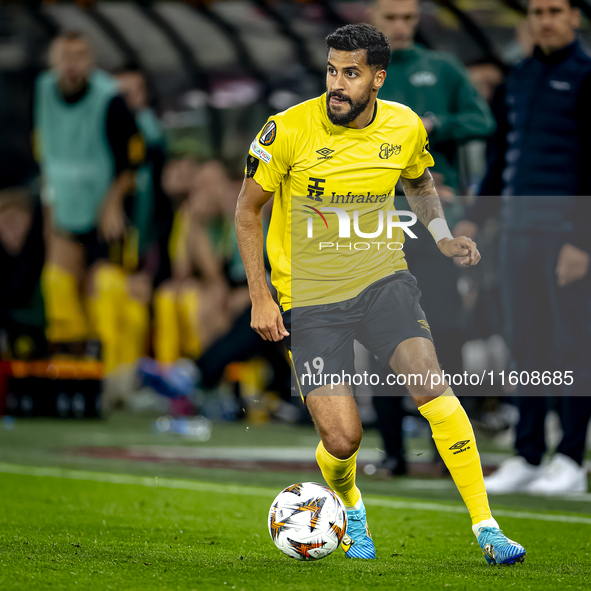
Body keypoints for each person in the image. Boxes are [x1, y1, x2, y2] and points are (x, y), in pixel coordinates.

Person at [234, 23, 525, 564]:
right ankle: (352, 507)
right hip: (311, 299)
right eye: (331, 70)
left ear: (377, 78)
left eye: (350, 73)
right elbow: (247, 210)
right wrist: (261, 295)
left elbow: (418, 180)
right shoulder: (288, 130)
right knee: (343, 440)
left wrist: (441, 238)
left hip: (382, 279)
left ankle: (487, 527)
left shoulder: (404, 125)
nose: (336, 85)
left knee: (433, 389)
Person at [462, 0, 591, 495]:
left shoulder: (587, 75)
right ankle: (529, 453)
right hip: (516, 232)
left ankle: (573, 459)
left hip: (565, 234)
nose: (546, 19)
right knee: (526, 342)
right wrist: (476, 217)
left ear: (574, 17)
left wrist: (582, 240)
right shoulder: (517, 78)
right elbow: (500, 157)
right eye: (538, 11)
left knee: (573, 343)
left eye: (556, 10)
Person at [369, 0, 496, 476]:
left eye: (407, 19)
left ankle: (451, 453)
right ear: (372, 18)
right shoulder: (356, 72)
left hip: (433, 222)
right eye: (391, 19)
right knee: (381, 335)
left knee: (445, 330)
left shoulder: (440, 69)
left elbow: (483, 120)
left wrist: (434, 126)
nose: (400, 28)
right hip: (378, 224)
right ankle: (394, 453)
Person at [34, 32, 144, 371]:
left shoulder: (110, 98)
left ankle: (115, 375)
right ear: (53, 60)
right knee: (56, 281)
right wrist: (48, 215)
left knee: (106, 288)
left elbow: (131, 160)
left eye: (79, 55)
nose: (71, 64)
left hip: (105, 213)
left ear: (90, 60)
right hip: (65, 209)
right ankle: (73, 368)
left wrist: (111, 203)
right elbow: (46, 157)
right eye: (64, 56)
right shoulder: (41, 92)